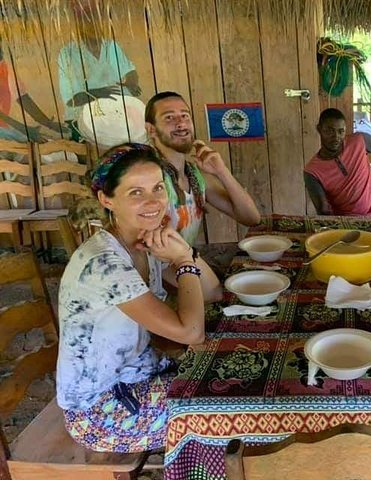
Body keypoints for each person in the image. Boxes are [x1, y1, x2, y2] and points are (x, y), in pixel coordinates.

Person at [56, 143, 222, 452]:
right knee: (221, 410)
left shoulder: (144, 241)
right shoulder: (104, 263)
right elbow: (191, 332)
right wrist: (184, 262)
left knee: (233, 376)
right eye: (135, 193)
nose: (153, 201)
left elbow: (212, 292)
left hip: (139, 377)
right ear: (106, 199)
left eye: (158, 188)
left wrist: (183, 252)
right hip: (100, 410)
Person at [144, 91, 261, 245]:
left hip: (187, 264)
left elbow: (251, 218)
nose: (181, 123)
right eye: (169, 117)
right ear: (151, 129)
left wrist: (221, 171)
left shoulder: (194, 175)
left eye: (185, 115)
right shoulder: (147, 178)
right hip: (162, 268)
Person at [58, 1, 141, 142]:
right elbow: (71, 100)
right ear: (81, 26)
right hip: (80, 120)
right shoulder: (68, 54)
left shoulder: (110, 47)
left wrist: (131, 83)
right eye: (90, 23)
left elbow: (130, 71)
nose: (95, 27)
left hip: (114, 116)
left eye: (98, 22)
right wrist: (100, 93)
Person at [304, 108, 371, 216]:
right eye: (329, 131)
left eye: (341, 131)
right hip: (348, 224)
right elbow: (323, 211)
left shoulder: (359, 141)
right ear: (319, 129)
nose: (336, 137)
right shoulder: (312, 171)